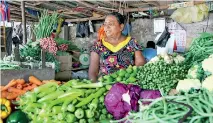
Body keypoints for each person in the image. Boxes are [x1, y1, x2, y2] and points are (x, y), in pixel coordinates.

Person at [89, 12, 146, 82]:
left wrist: (132, 76)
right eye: (105, 24)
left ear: (121, 27)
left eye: (110, 24)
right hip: (105, 87)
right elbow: (93, 72)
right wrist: (95, 86)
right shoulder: (98, 45)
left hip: (127, 85)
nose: (106, 27)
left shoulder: (132, 42)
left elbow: (140, 63)